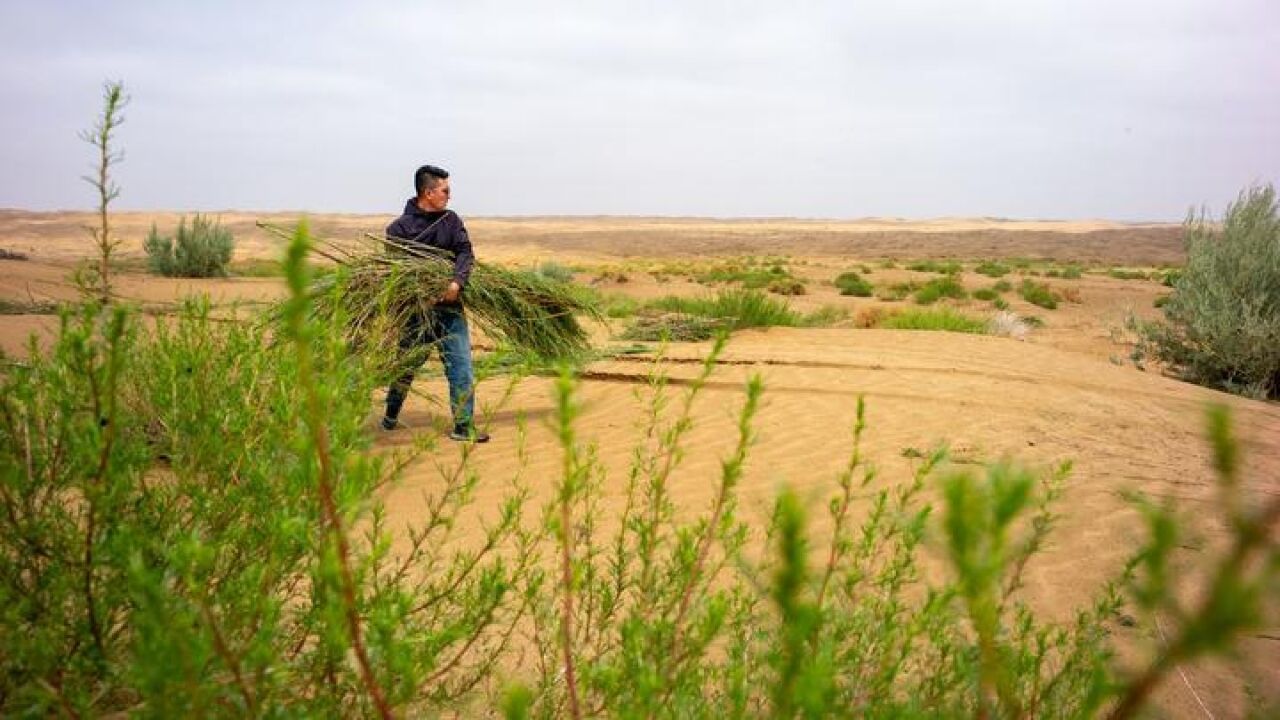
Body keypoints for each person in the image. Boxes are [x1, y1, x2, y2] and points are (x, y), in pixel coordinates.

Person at [381, 164, 490, 443]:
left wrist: (456, 283)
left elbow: (465, 252)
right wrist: (422, 295)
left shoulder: (451, 221)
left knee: (461, 367)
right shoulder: (398, 230)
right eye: (445, 191)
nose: (449, 196)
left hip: (450, 309)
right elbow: (399, 274)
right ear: (428, 193)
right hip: (416, 314)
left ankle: (463, 427)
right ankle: (391, 414)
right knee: (406, 368)